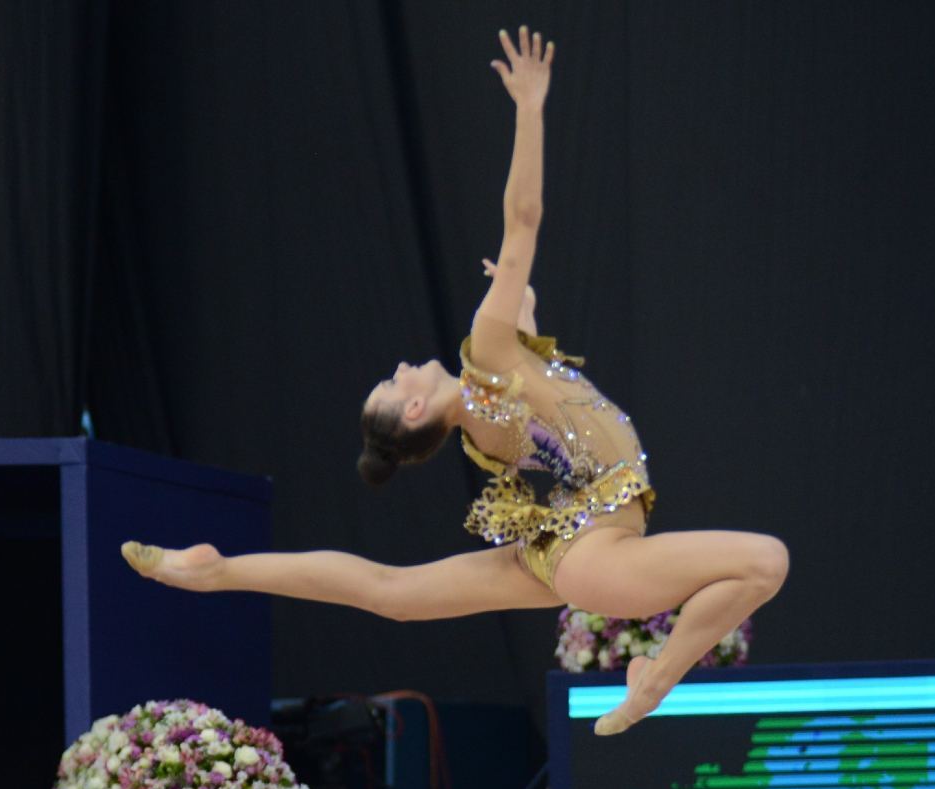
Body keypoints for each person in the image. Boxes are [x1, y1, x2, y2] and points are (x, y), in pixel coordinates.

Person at [120, 25, 788, 736]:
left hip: (562, 543)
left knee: (394, 593)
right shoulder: (486, 359)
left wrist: (521, 307)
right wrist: (529, 108)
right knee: (762, 562)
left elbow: (544, 402)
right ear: (414, 407)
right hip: (593, 549)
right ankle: (655, 678)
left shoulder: (496, 383)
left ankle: (218, 570)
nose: (405, 365)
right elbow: (523, 218)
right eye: (395, 379)